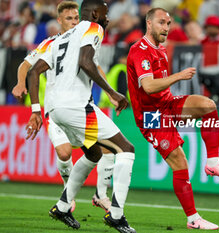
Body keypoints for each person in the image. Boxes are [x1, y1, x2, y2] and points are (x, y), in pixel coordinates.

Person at [25, 0, 136, 232]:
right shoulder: (93, 28)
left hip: (55, 110)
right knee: (126, 149)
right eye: (105, 13)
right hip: (77, 106)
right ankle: (116, 214)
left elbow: (34, 71)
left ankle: (63, 206)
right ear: (95, 13)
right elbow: (85, 61)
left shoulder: (60, 38)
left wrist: (36, 110)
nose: (107, 18)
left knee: (94, 152)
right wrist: (113, 92)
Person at [127, 8, 219, 230]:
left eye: (168, 24)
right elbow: (148, 86)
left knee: (208, 106)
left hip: (167, 104)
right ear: (149, 23)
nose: (166, 28)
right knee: (180, 162)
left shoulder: (160, 49)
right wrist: (178, 76)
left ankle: (213, 162)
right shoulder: (139, 50)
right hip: (152, 117)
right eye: (161, 23)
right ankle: (193, 219)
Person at [12, 0, 114, 213]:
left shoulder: (84, 36)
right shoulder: (51, 43)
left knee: (106, 149)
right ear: (59, 21)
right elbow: (26, 65)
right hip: (57, 108)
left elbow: (94, 66)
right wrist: (21, 83)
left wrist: (109, 93)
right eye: (68, 18)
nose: (73, 21)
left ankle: (101, 195)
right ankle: (68, 190)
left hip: (82, 107)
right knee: (65, 152)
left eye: (76, 17)